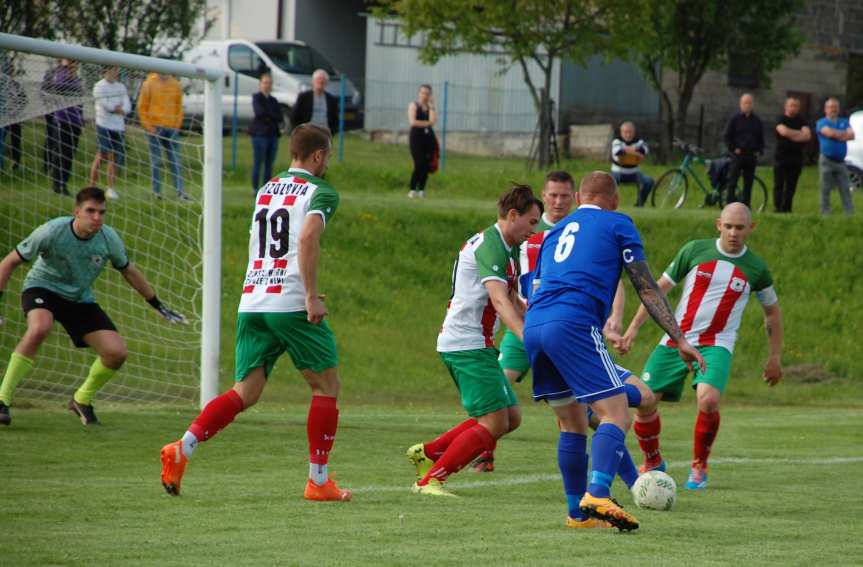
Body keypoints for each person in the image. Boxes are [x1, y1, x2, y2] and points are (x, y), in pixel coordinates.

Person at [160, 124, 352, 502]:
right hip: (290, 303)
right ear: (317, 156)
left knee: (245, 392)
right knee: (326, 386)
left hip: (253, 299)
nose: (327, 161)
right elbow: (307, 236)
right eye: (327, 155)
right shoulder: (321, 190)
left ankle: (183, 448)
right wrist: (311, 295)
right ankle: (318, 481)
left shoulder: (267, 187)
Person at [523, 172, 703, 531]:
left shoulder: (554, 232)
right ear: (616, 200)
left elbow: (536, 288)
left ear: (576, 197)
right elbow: (646, 288)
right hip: (573, 324)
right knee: (617, 413)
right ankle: (598, 493)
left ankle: (578, 514)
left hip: (535, 326)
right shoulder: (618, 223)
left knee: (571, 421)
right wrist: (680, 338)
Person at [619, 203, 783, 491]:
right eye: (729, 226)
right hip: (676, 338)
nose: (734, 233)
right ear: (718, 224)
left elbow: (772, 313)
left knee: (708, 400)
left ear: (751, 228)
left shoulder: (756, 268)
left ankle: (699, 466)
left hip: (716, 344)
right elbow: (656, 290)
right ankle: (654, 460)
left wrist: (774, 357)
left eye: (740, 228)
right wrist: (632, 330)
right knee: (644, 401)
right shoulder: (694, 250)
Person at [0, 187, 186, 426]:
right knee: (39, 328)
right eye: (90, 211)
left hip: (79, 299)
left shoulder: (109, 239)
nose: (96, 217)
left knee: (116, 353)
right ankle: (3, 399)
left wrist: (158, 305)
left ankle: (81, 400)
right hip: (42, 288)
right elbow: (9, 262)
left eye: (101, 212)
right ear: (77, 212)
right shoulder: (51, 231)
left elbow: (129, 271)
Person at [406, 185, 542, 497]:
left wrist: (538, 323)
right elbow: (498, 300)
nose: (533, 231)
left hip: (477, 344)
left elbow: (512, 299)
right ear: (512, 215)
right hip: (467, 344)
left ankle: (429, 453)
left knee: (511, 418)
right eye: (531, 222)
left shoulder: (506, 248)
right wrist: (527, 338)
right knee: (494, 422)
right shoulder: (492, 246)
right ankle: (432, 479)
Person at [137, 73, 188, 200]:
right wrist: (149, 126)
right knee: (156, 162)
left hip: (172, 128)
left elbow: (179, 107)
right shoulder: (149, 83)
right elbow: (142, 107)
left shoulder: (175, 84)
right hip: (155, 128)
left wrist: (177, 125)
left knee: (175, 161)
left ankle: (180, 192)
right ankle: (157, 193)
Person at [42, 59, 84, 196]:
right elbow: (58, 86)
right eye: (72, 62)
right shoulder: (59, 74)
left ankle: (64, 185)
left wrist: (81, 118)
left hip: (75, 121)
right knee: (60, 153)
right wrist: (66, 71)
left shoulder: (78, 79)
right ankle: (57, 185)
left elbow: (80, 100)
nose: (74, 65)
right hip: (61, 119)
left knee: (69, 155)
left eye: (75, 63)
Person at [89, 66, 130, 200]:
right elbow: (104, 104)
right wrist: (115, 108)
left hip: (118, 126)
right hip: (103, 124)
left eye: (116, 70)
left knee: (114, 157)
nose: (114, 73)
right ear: (105, 71)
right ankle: (92, 187)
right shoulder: (99, 86)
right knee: (102, 155)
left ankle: (110, 188)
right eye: (112, 70)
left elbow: (127, 105)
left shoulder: (121, 87)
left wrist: (122, 109)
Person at [723, 94, 764, 206]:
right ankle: (729, 206)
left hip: (751, 156)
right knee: (732, 181)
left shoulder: (757, 121)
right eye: (745, 103)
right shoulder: (735, 119)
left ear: (753, 104)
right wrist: (733, 148)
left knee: (748, 183)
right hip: (738, 155)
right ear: (740, 104)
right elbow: (727, 136)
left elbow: (760, 138)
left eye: (750, 103)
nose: (747, 105)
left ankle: (746, 207)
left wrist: (759, 151)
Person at [816, 97, 855, 216]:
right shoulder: (821, 122)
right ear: (825, 109)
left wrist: (835, 134)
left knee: (845, 188)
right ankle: (825, 213)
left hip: (840, 161)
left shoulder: (844, 121)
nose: (833, 109)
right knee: (825, 188)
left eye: (835, 107)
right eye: (830, 107)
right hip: (826, 160)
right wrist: (842, 134)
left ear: (838, 109)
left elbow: (852, 135)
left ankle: (849, 213)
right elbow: (828, 133)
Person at [773, 97, 811, 213]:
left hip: (796, 158)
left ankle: (787, 208)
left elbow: (807, 136)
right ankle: (778, 208)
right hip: (781, 158)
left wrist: (790, 134)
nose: (793, 108)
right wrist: (799, 133)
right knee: (779, 184)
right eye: (791, 105)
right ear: (786, 106)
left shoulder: (802, 120)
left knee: (791, 185)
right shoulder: (780, 119)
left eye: (796, 106)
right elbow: (782, 131)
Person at [249, 72, 283, 193]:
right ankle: (254, 188)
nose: (267, 85)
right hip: (259, 135)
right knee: (258, 162)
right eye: (265, 83)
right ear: (260, 84)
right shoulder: (256, 98)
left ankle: (266, 189)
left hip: (273, 135)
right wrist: (270, 116)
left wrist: (269, 116)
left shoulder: (273, 100)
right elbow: (259, 113)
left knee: (269, 164)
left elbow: (279, 117)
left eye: (269, 83)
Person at [610, 121, 653, 207]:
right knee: (609, 184)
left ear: (634, 132)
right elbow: (618, 152)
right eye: (626, 132)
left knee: (648, 181)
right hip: (618, 172)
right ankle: (611, 205)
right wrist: (636, 151)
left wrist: (626, 150)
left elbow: (644, 151)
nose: (628, 135)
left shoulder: (639, 141)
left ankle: (640, 204)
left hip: (635, 173)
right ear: (621, 132)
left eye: (630, 132)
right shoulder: (616, 141)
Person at [407, 84, 437, 199]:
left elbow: (433, 120)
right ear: (419, 93)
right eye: (423, 93)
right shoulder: (413, 105)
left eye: (427, 93)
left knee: (426, 164)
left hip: (428, 138)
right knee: (418, 163)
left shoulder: (430, 107)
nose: (425, 95)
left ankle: (422, 190)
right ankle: (412, 189)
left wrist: (432, 106)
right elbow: (413, 122)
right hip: (416, 137)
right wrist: (428, 123)